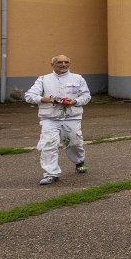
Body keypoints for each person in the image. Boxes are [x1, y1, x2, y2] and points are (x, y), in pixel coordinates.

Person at [24, 55, 91, 185]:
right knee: (48, 144)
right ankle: (51, 173)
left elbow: (86, 96)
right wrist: (46, 99)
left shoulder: (78, 78)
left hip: (71, 117)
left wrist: (75, 101)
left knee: (73, 142)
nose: (63, 64)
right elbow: (29, 96)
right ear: (52, 64)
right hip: (50, 118)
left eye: (66, 62)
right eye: (59, 62)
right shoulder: (43, 79)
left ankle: (79, 161)